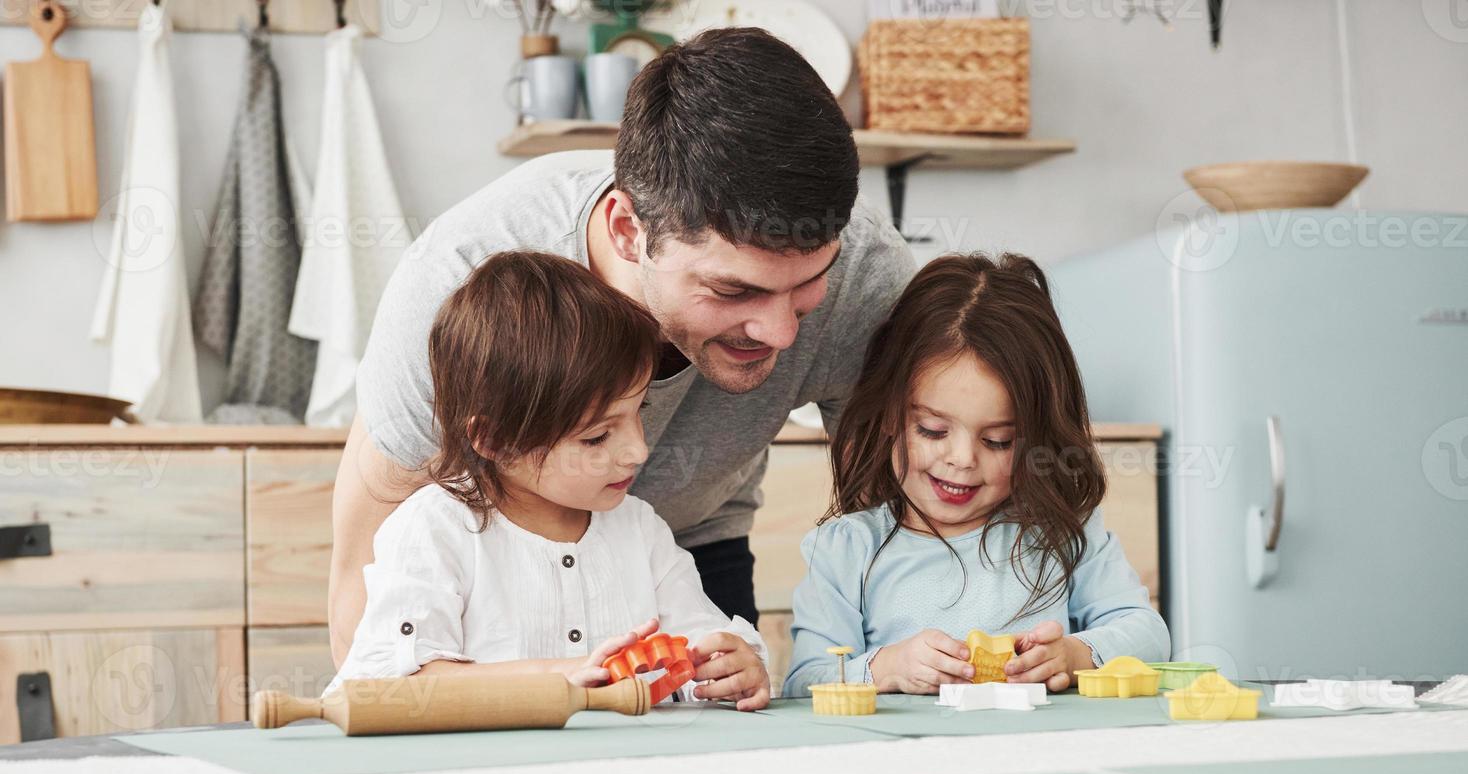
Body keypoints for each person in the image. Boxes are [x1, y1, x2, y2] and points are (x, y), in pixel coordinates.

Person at [329, 27, 917, 666]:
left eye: (808, 286)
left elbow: (905, 525)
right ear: (629, 231)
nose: (781, 334)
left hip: (689, 549)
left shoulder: (867, 277)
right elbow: (367, 585)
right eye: (732, 290)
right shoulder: (457, 284)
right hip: (492, 566)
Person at [328, 251, 770, 710]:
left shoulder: (639, 529)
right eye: (597, 436)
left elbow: (702, 645)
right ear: (495, 440)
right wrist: (563, 675)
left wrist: (733, 665)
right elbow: (396, 687)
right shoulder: (433, 530)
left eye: (638, 412)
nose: (638, 450)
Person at [784, 253, 1170, 697]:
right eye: (933, 430)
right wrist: (886, 667)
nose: (963, 459)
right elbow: (803, 683)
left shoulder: (1062, 532)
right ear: (890, 415)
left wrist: (1076, 654)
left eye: (999, 441)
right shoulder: (846, 550)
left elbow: (1150, 636)